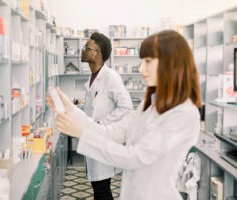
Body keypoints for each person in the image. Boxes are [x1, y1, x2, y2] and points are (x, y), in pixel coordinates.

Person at [48, 29, 202, 200]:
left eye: (148, 61)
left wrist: (82, 133)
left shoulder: (183, 113)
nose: (141, 67)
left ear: (170, 63)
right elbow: (111, 132)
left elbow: (134, 157)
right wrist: (71, 109)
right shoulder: (150, 104)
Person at [80, 32, 133, 200]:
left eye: (87, 48)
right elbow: (96, 107)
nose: (83, 50)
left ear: (98, 54)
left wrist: (100, 125)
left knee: (102, 189)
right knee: (99, 189)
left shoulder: (111, 77)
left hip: (102, 141)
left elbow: (126, 107)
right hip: (93, 140)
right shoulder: (93, 77)